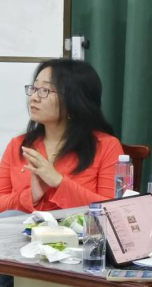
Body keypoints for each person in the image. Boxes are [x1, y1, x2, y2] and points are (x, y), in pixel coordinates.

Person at [0, 58, 123, 214]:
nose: (34, 97)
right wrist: (31, 196)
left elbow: (113, 210)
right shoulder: (18, 145)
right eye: (34, 88)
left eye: (45, 90)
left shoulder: (106, 146)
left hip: (81, 231)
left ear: (74, 99)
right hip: (22, 230)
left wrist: (58, 182)